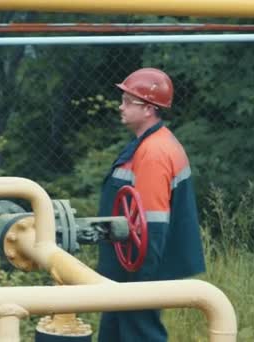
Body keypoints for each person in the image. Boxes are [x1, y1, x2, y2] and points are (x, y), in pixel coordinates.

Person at [96, 67, 206, 341]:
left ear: (147, 109)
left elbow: (152, 224)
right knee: (116, 332)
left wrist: (142, 281)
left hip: (138, 268)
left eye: (127, 102)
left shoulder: (154, 152)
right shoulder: (153, 143)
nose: (120, 107)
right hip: (130, 265)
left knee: (139, 334)